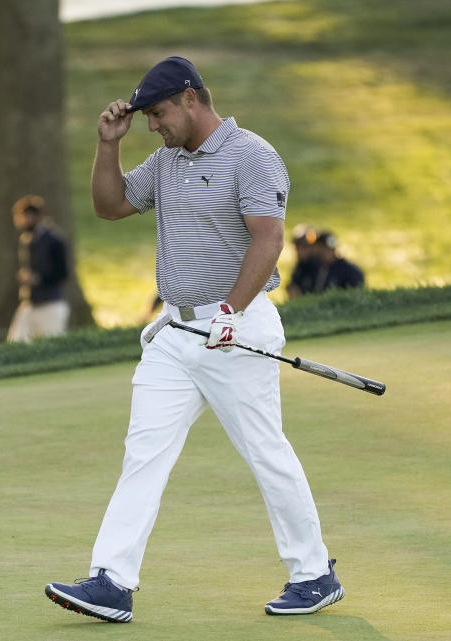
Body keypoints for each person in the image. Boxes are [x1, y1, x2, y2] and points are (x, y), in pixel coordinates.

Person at [44, 56, 343, 623]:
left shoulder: (252, 154)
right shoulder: (165, 162)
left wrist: (231, 310)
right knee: (143, 453)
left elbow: (269, 239)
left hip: (237, 326)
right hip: (174, 331)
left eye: (157, 114)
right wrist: (108, 145)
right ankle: (112, 581)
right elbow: (110, 207)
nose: (152, 126)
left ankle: (313, 573)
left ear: (189, 98)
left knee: (264, 451)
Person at [6, 195, 70, 342]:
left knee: (51, 345)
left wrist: (37, 278)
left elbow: (62, 273)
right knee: (16, 341)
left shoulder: (54, 240)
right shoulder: (26, 240)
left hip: (50, 304)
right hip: (29, 303)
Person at [287, 225, 365, 298]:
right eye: (320, 248)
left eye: (326, 249)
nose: (322, 252)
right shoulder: (311, 267)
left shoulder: (350, 271)